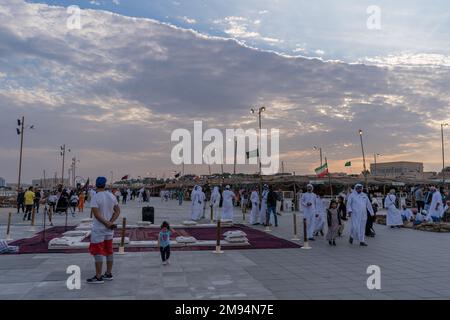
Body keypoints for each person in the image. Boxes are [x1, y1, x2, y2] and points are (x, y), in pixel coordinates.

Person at [87, 177, 120, 284]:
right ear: (105, 185)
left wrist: (106, 223)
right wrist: (110, 222)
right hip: (109, 229)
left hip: (99, 228)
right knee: (109, 250)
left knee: (98, 251)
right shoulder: (111, 196)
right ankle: (109, 273)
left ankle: (98, 276)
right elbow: (118, 211)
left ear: (96, 185)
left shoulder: (95, 197)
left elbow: (96, 215)